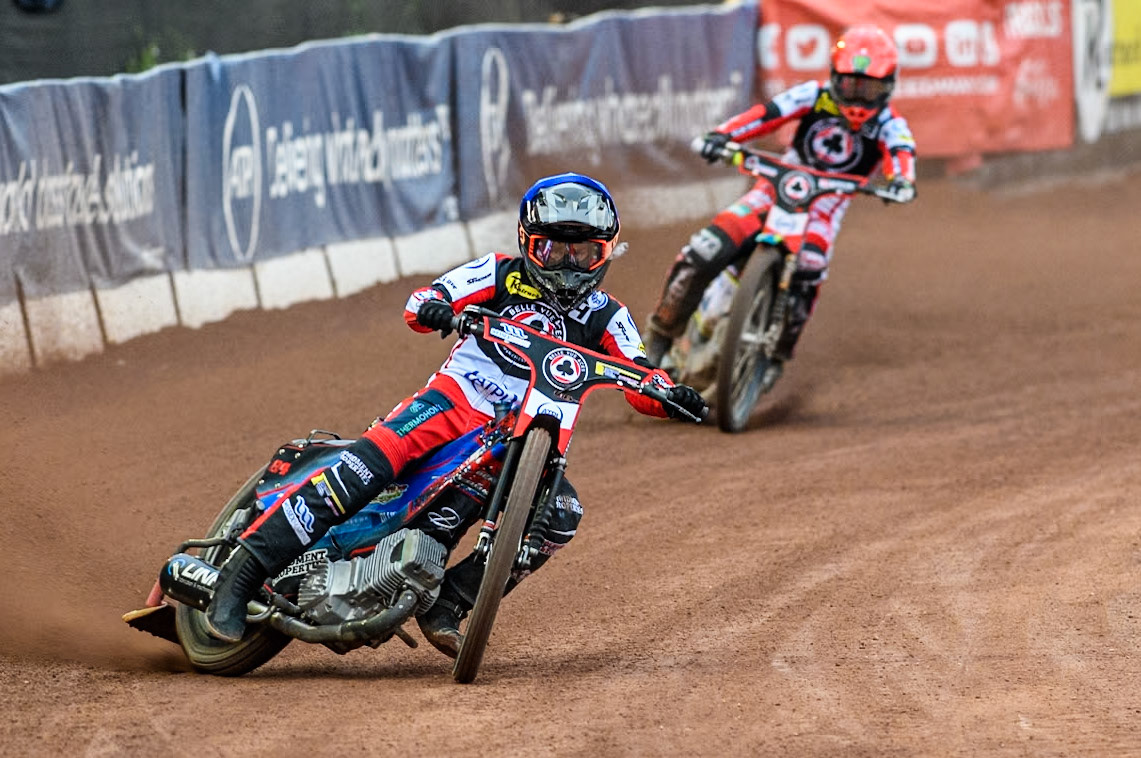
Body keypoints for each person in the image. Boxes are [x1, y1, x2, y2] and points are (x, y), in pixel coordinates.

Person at [204, 172, 707, 657]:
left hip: (523, 437)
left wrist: (672, 395)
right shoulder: (497, 272)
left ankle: (451, 601)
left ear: (606, 252)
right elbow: (422, 300)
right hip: (454, 402)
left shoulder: (609, 316)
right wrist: (436, 309)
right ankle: (242, 572)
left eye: (584, 252)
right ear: (527, 242)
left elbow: (641, 377)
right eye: (553, 249)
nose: (567, 266)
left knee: (560, 515)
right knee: (373, 462)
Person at [644, 24, 917, 373]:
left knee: (811, 267)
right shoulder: (813, 96)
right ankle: (660, 337)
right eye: (851, 85)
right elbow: (767, 115)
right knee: (703, 252)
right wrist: (723, 136)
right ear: (835, 76)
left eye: (871, 88)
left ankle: (777, 355)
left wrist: (901, 182)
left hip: (822, 211)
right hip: (774, 191)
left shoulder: (890, 124)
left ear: (888, 86)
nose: (859, 97)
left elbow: (901, 152)